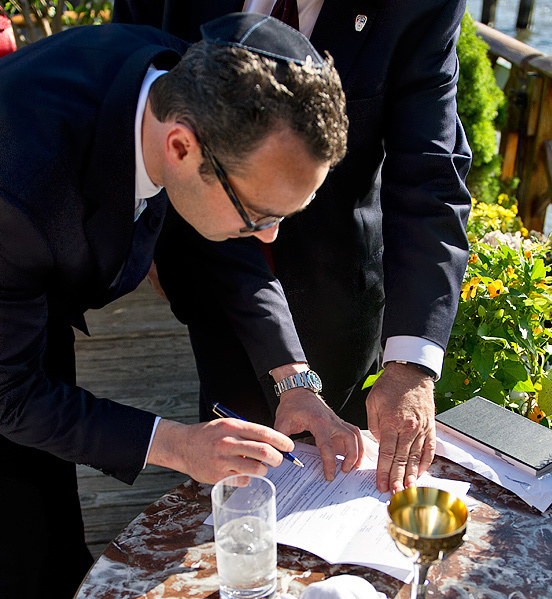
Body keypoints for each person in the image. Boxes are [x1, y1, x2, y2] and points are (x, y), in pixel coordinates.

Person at [0, 14, 361, 598]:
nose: (270, 237)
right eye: (260, 216)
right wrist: (177, 444)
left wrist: (295, 381)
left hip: (26, 295)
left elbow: (222, 237)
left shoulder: (188, 86)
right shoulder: (20, 193)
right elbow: (11, 395)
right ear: (180, 146)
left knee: (50, 526)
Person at [112, 0, 473, 495]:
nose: (269, 230)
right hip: (207, 264)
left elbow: (430, 179)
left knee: (340, 480)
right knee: (232, 474)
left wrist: (411, 364)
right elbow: (141, 82)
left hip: (337, 287)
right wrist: (145, 231)